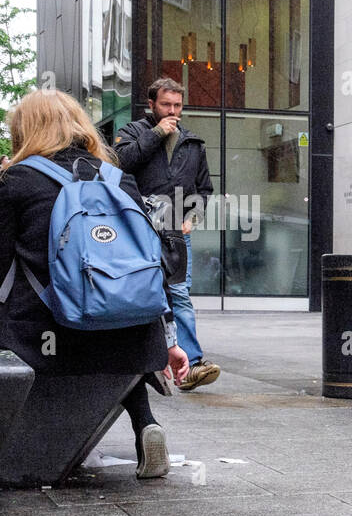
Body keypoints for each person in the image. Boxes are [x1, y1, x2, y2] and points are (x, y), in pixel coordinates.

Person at [0, 90, 188, 479]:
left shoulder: (17, 181)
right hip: (132, 337)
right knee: (112, 314)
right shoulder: (120, 180)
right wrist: (169, 340)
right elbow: (150, 265)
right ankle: (145, 425)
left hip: (50, 338)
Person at [114, 78, 219, 392]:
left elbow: (204, 190)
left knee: (179, 293)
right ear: (151, 104)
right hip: (136, 227)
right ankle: (139, 360)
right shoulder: (133, 133)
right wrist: (157, 133)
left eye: (177, 105)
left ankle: (192, 365)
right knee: (138, 291)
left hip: (175, 231)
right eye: (166, 105)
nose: (172, 111)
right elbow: (120, 163)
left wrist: (194, 216)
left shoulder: (193, 142)